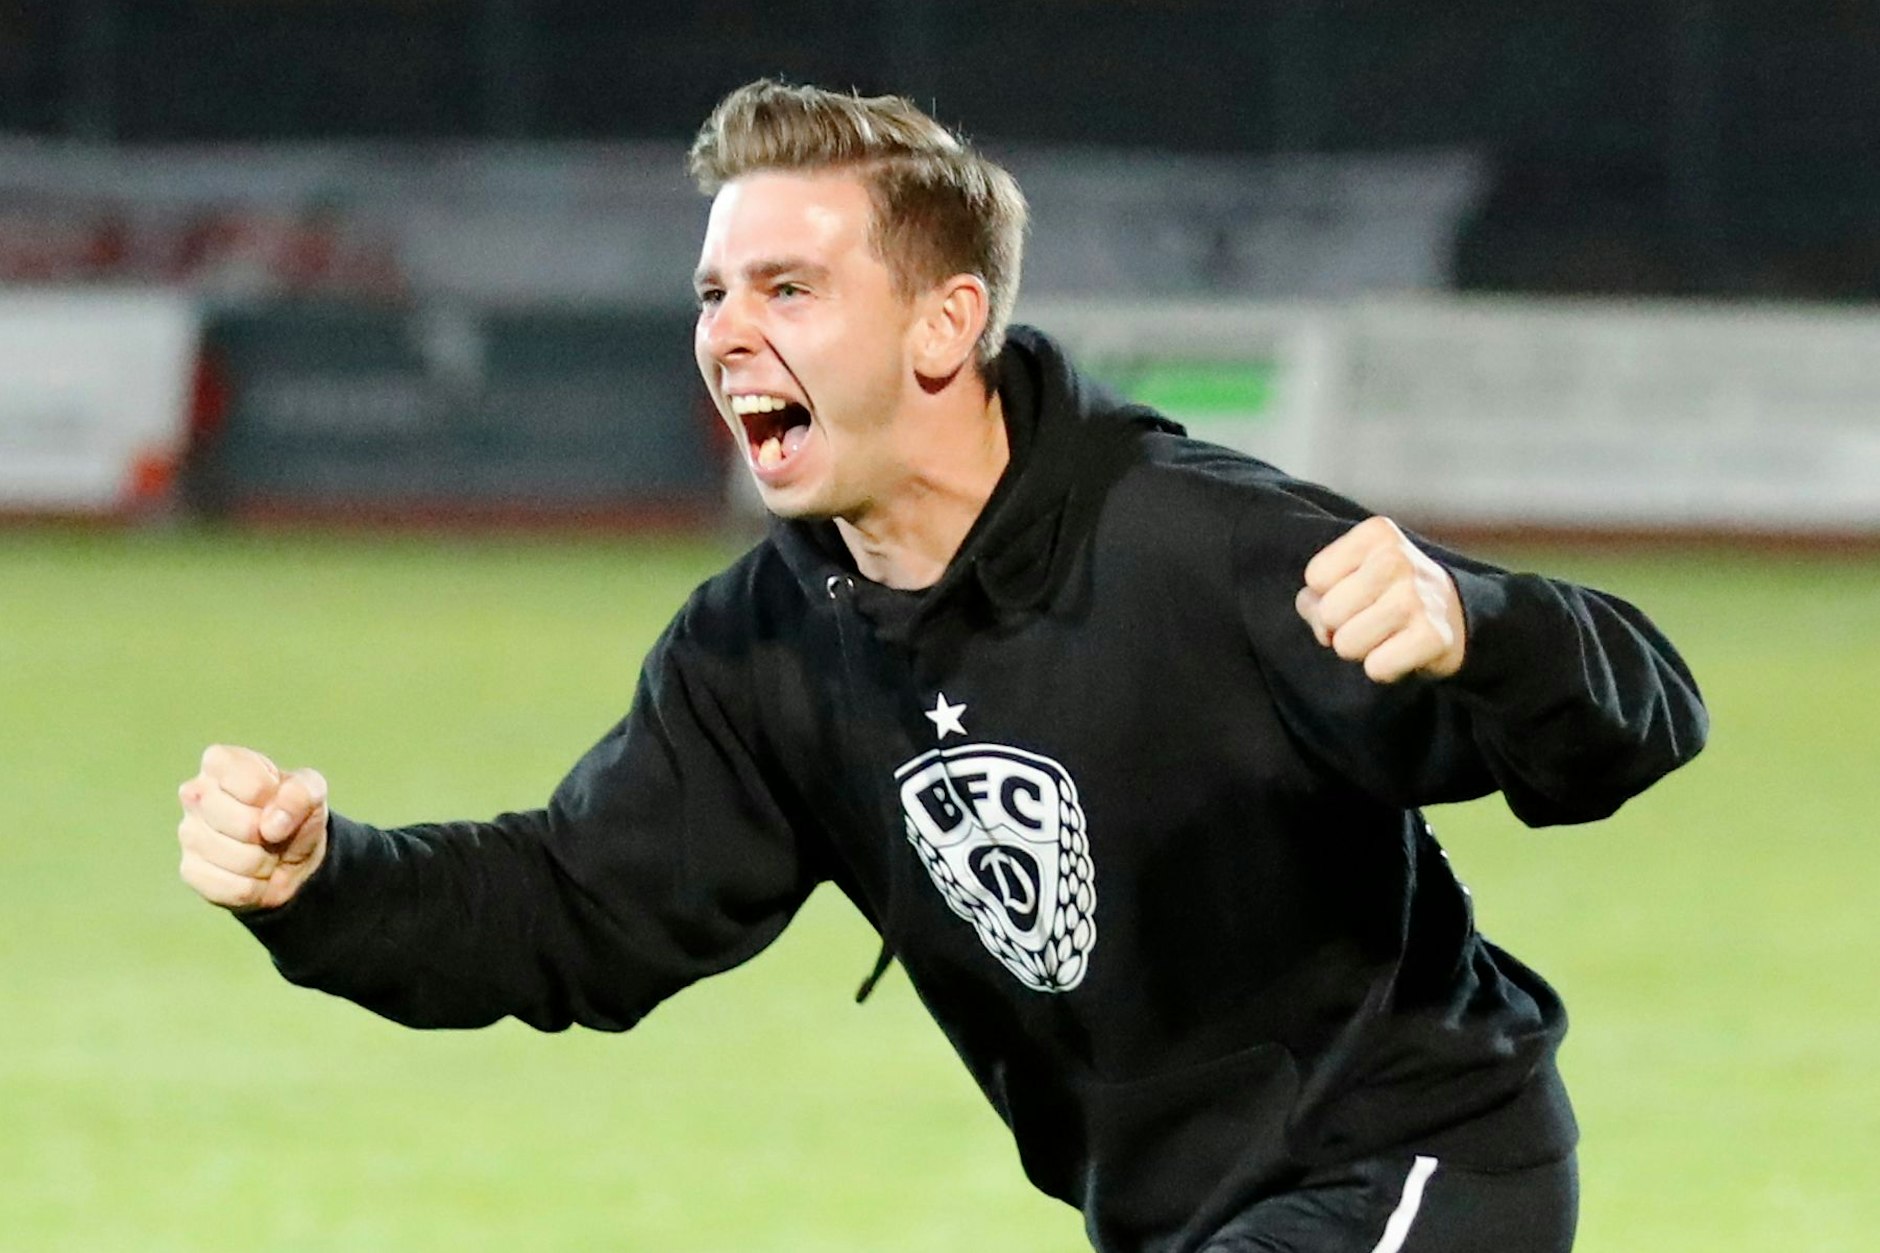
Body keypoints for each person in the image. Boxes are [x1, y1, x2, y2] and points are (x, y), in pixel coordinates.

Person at [176, 80, 1707, 1253]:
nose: (728, 332)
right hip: (1175, 1217)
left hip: (1417, 1163)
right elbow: (576, 913)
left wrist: (1482, 628)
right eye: (715, 291)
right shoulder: (763, 648)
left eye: (788, 288)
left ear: (945, 323)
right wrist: (324, 878)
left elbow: (1643, 710)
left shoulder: (1189, 546)